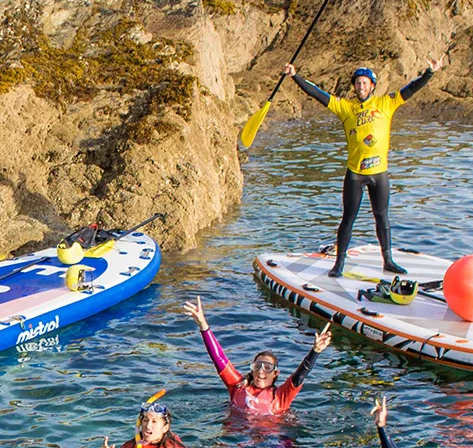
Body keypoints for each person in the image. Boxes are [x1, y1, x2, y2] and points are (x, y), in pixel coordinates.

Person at [284, 57, 444, 277]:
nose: (361, 86)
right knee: (348, 218)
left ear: (372, 86)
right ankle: (339, 263)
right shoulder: (345, 108)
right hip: (355, 175)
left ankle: (388, 260)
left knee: (382, 217)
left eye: (365, 83)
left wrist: (429, 73)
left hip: (380, 174)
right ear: (354, 86)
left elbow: (411, 89)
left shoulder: (386, 103)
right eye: (358, 83)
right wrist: (295, 76)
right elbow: (317, 93)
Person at [182, 297, 332, 417]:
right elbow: (219, 359)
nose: (261, 371)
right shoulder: (238, 387)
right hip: (238, 443)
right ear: (252, 370)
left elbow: (299, 376)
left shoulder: (280, 396)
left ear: (275, 374)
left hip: (271, 444)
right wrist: (203, 325)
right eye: (257, 366)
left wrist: (315, 351)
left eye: (267, 368)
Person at [98, 395, 204, 448]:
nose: (148, 426)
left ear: (165, 428)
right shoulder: (132, 446)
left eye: (154, 421)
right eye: (145, 420)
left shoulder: (173, 447)